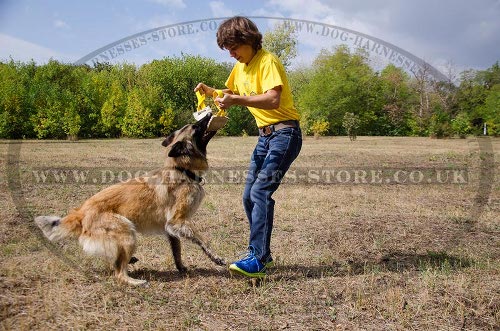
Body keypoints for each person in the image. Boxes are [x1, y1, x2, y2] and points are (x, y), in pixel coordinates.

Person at [194, 16, 302, 278]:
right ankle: (262, 254)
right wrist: (211, 92)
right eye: (227, 50)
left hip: (284, 134)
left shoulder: (267, 61)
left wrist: (237, 100)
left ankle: (259, 258)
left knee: (260, 192)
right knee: (248, 196)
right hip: (264, 137)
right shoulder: (240, 67)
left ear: (248, 40)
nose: (231, 54)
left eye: (234, 48)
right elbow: (228, 93)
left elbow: (273, 99)